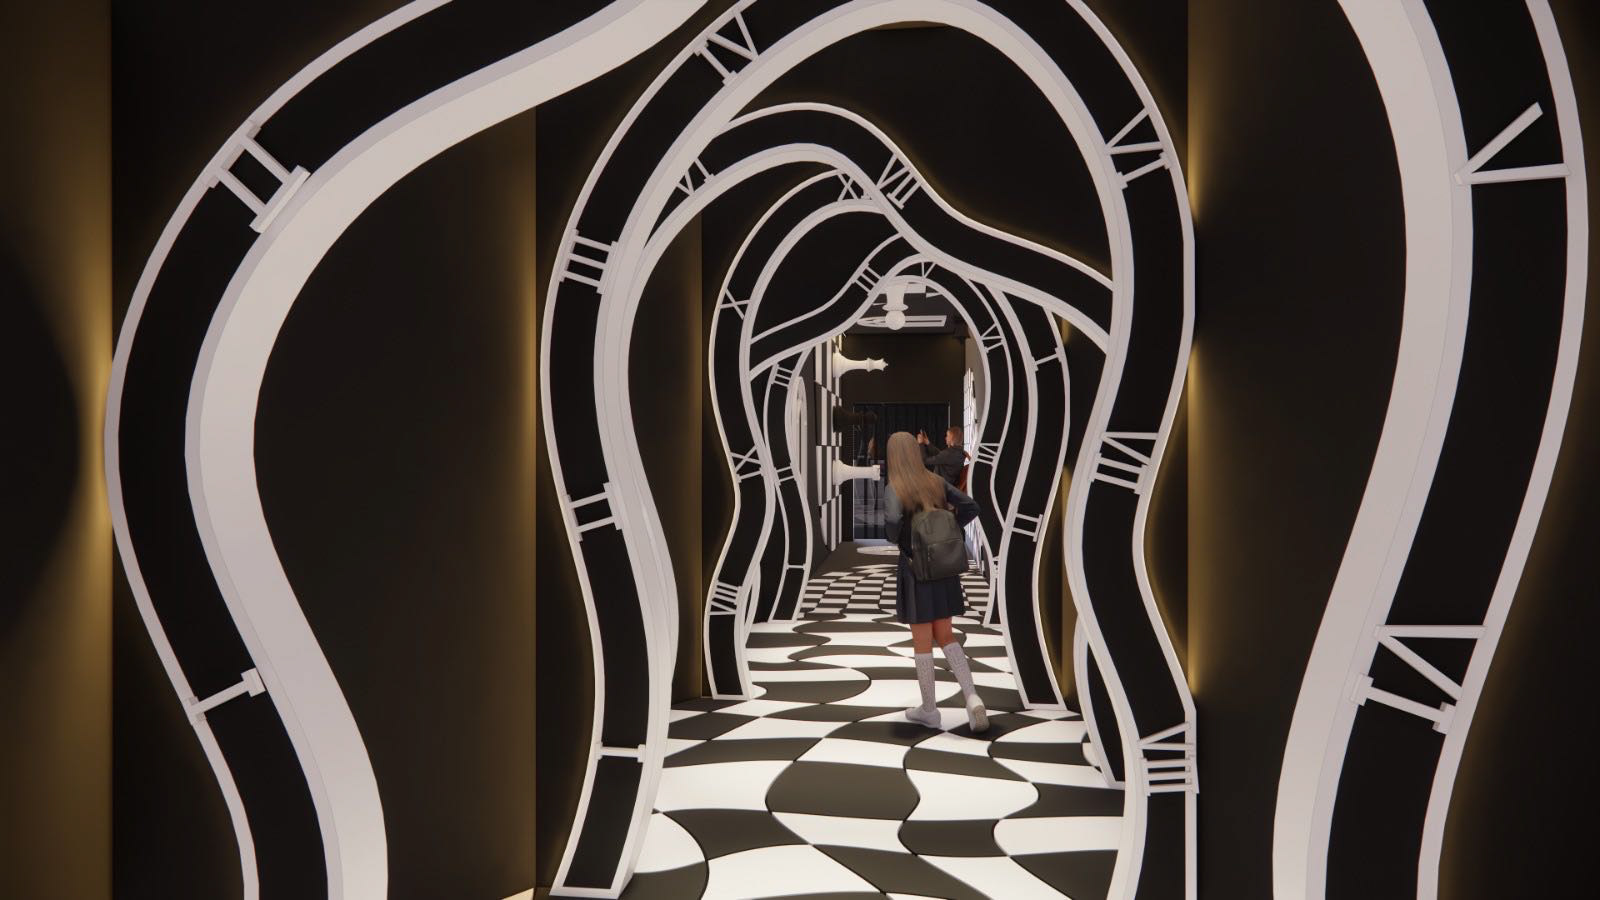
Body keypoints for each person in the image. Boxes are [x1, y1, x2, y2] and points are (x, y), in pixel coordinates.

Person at [884, 431, 987, 731]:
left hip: (916, 569)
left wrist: (902, 538)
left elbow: (892, 525)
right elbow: (971, 506)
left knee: (922, 641)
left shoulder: (895, 487)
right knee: (946, 634)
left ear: (893, 456)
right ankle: (972, 697)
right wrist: (949, 530)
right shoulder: (935, 481)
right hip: (944, 567)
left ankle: (930, 709)